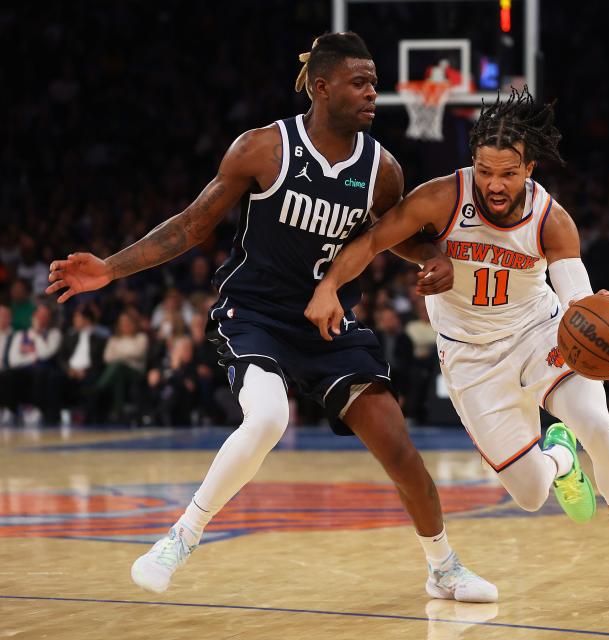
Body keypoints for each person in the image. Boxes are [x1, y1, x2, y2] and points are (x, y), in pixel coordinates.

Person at [45, 32, 495, 602]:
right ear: (323, 86)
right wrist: (109, 269)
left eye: (375, 84)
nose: (372, 94)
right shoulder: (264, 148)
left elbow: (391, 236)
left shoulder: (382, 169)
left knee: (400, 449)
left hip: (327, 322)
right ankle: (182, 537)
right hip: (254, 313)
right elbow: (192, 224)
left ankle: (443, 568)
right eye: (360, 83)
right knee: (265, 420)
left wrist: (434, 257)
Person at [306, 87, 609, 608]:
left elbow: (577, 307)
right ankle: (559, 458)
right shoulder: (442, 197)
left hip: (537, 334)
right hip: (469, 356)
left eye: (507, 173)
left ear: (529, 168)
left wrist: (595, 311)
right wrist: (335, 285)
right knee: (529, 496)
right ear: (472, 163)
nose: (494, 184)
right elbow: (374, 238)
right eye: (484, 171)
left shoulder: (553, 220)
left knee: (598, 424)